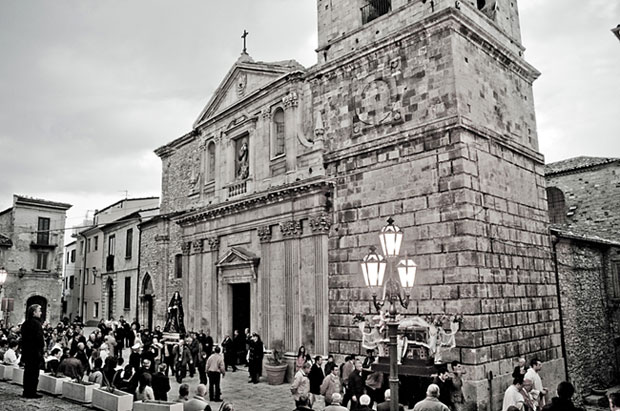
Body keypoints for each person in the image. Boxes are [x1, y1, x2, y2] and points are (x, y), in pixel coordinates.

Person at [20, 304, 45, 398]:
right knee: (34, 373)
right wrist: (41, 351)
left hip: (27, 352)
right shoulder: (37, 324)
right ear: (34, 312)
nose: (41, 312)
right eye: (39, 311)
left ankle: (26, 391)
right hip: (34, 353)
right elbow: (39, 340)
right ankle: (31, 392)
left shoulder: (25, 323)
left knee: (27, 372)